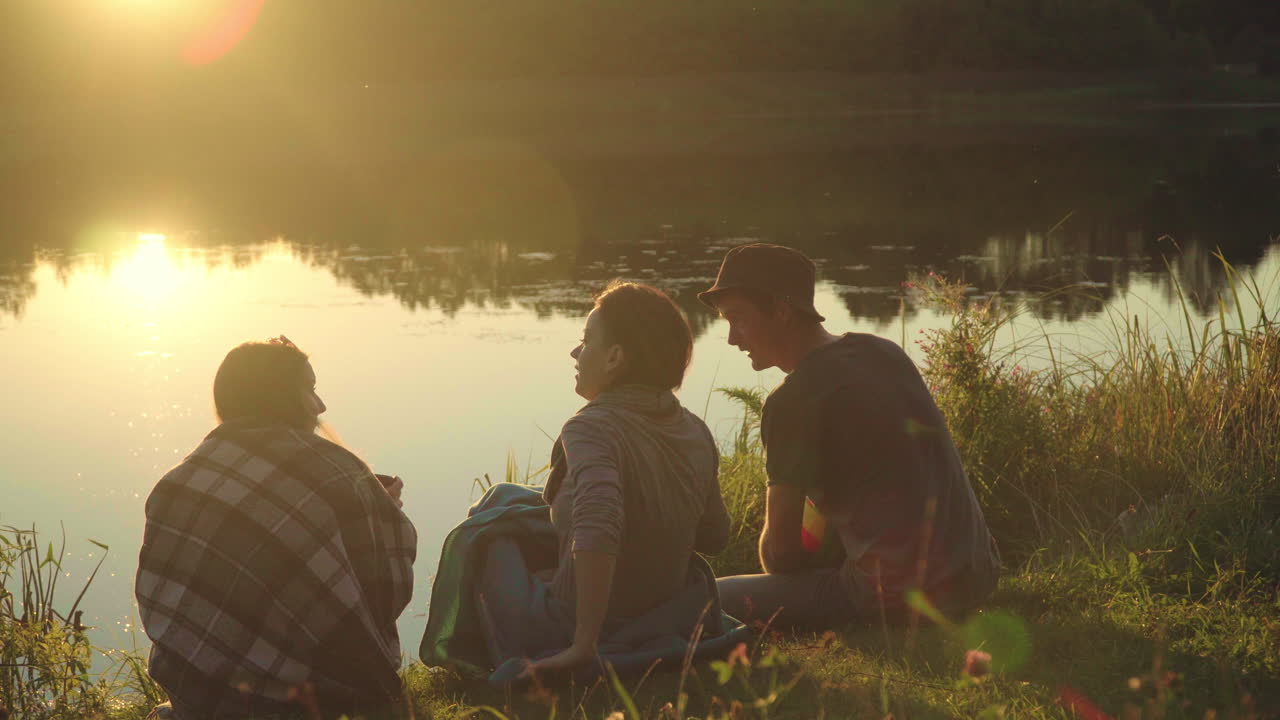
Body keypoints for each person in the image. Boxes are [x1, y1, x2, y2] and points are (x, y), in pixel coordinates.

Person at [699, 244, 1000, 629]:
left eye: (737, 319)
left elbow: (781, 556)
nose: (731, 339)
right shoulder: (884, 352)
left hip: (894, 597)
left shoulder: (792, 400)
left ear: (782, 311)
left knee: (707, 598)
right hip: (976, 575)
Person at [135, 336, 417, 720]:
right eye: (310, 389)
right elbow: (385, 588)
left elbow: (161, 599)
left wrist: (362, 507)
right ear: (278, 396)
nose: (321, 405)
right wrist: (380, 515)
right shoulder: (336, 471)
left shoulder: (177, 482)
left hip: (199, 697)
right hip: (312, 703)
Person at [475, 281, 732, 679]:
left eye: (586, 340)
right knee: (511, 498)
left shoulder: (590, 427)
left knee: (484, 532)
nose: (576, 352)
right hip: (665, 613)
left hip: (580, 624)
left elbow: (599, 524)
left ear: (614, 358)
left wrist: (582, 646)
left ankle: (479, 650)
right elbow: (715, 536)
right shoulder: (695, 430)